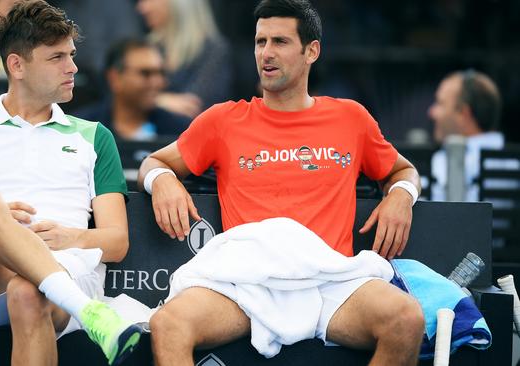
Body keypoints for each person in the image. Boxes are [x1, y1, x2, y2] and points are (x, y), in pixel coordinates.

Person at [138, 0, 425, 365]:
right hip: (245, 283)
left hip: (328, 282)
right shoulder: (224, 119)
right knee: (169, 324)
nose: (266, 54)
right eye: (260, 42)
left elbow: (403, 170)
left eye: (280, 42)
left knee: (406, 319)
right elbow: (154, 162)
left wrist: (401, 194)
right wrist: (163, 180)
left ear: (312, 51)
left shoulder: (350, 117)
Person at [0, 1, 142, 365]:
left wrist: (72, 236)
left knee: (28, 292)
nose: (73, 68)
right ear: (16, 65)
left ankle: (67, 296)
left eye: (72, 55)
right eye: (57, 58)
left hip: (66, 270)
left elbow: (117, 241)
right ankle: (92, 313)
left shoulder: (95, 137)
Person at [75, 38, 191, 141]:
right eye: (145, 73)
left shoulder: (181, 132)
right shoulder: (80, 130)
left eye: (161, 73)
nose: (158, 82)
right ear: (114, 78)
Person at [136, 0, 232, 118]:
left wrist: (148, 100)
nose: (142, 8)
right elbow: (124, 95)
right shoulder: (148, 47)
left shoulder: (214, 50)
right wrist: (161, 100)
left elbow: (192, 106)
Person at [428, 69, 503, 201]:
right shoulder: (512, 164)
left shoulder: (444, 163)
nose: (432, 112)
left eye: (440, 103)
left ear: (463, 114)